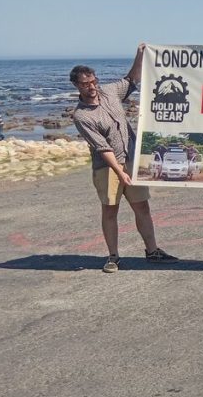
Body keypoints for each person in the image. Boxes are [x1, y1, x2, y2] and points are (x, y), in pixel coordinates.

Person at [71, 44, 177, 273]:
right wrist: (120, 173)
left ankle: (153, 251)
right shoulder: (81, 116)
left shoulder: (109, 92)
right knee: (110, 210)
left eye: (93, 82)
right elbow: (102, 148)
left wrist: (140, 56)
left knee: (142, 207)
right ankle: (113, 256)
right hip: (108, 168)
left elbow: (131, 80)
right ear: (76, 86)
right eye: (85, 84)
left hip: (131, 159)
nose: (91, 87)